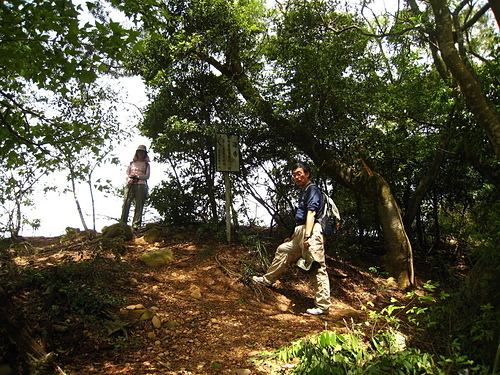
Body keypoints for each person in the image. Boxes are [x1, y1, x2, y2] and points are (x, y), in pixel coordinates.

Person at [253, 162, 332, 315]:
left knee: (316, 266)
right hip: (301, 232)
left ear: (307, 174)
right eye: (294, 174)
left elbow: (311, 213)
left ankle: (323, 306)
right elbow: (301, 219)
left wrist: (308, 236)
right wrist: (293, 237)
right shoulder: (304, 191)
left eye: (299, 173)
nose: (296, 177)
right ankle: (268, 280)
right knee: (283, 249)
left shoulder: (313, 189)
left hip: (312, 232)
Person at [120, 145, 151, 230]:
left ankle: (136, 225)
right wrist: (129, 179)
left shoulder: (146, 164)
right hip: (130, 184)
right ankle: (123, 223)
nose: (141, 153)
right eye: (139, 152)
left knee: (139, 205)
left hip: (141, 185)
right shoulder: (131, 163)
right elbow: (127, 173)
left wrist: (137, 176)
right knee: (126, 203)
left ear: (145, 154)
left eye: (142, 152)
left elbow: (147, 176)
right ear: (137, 153)